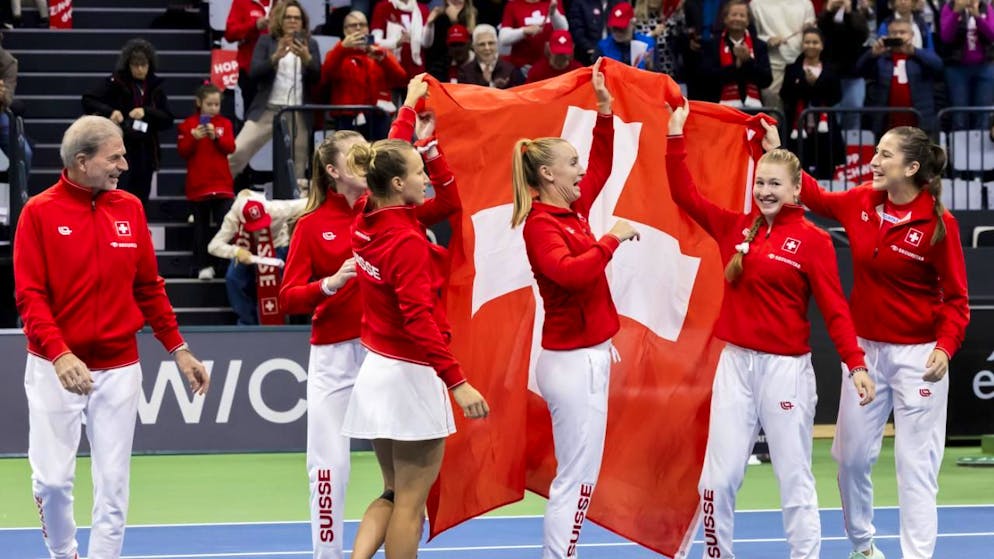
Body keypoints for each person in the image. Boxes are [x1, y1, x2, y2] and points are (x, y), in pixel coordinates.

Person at [665, 100, 875, 559]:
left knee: (793, 476)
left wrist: (855, 364)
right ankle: (718, 555)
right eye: (759, 182)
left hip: (786, 372)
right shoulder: (738, 228)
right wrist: (675, 136)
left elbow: (836, 311)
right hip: (735, 366)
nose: (764, 190)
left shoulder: (815, 242)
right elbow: (685, 195)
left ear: (797, 188)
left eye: (774, 183)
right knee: (716, 480)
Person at [279, 76, 462, 559]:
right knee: (331, 466)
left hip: (381, 351)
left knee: (395, 486)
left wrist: (407, 112)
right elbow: (289, 297)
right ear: (334, 172)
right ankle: (327, 554)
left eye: (369, 153)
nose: (366, 157)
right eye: (355, 155)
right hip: (341, 353)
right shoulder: (318, 224)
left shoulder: (374, 211)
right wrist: (330, 284)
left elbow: (396, 157)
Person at [13, 115, 209, 559]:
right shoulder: (39, 212)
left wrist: (178, 349)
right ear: (83, 161)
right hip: (53, 367)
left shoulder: (130, 208)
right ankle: (64, 553)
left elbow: (149, 287)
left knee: (113, 488)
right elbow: (30, 296)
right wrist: (60, 355)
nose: (124, 163)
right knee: (52, 482)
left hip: (119, 367)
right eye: (115, 156)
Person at [794, 125, 969, 559]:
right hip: (865, 355)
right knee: (850, 459)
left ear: (911, 168)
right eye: (876, 151)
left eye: (885, 154)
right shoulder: (862, 202)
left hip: (919, 358)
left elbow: (957, 299)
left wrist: (945, 347)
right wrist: (775, 145)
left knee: (917, 468)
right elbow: (813, 197)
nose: (873, 160)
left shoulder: (939, 225)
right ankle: (864, 545)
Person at [342, 73, 489, 559]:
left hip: (378, 370)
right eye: (419, 172)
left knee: (391, 491)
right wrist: (458, 382)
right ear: (399, 183)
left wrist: (415, 124)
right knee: (411, 503)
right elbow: (419, 319)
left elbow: (439, 195)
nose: (427, 178)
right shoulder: (405, 240)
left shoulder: (368, 213)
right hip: (409, 374)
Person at [509, 59, 640, 559]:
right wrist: (612, 240)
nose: (581, 167)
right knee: (575, 476)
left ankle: (564, 552)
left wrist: (604, 115)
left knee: (583, 473)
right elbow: (569, 274)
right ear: (547, 173)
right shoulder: (541, 225)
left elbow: (603, 167)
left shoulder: (569, 211)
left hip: (590, 356)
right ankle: (558, 555)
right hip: (571, 361)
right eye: (571, 162)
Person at [228, 0, 320, 182]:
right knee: (236, 152)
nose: (292, 21)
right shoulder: (266, 41)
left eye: (297, 18)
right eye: (288, 17)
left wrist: (307, 58)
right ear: (280, 20)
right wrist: (275, 57)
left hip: (297, 112)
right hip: (267, 109)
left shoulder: (311, 43)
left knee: (298, 169)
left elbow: (317, 76)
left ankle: (296, 208)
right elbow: (254, 72)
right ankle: (215, 196)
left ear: (303, 22)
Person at [82, 38, 174, 207]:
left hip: (146, 151)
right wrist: (111, 112)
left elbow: (168, 119)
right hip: (120, 147)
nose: (140, 69)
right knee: (118, 194)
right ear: (128, 65)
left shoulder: (156, 87)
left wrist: (146, 111)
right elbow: (88, 100)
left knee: (140, 200)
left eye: (143, 65)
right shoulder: (117, 82)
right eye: (135, 65)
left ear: (150, 65)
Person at [208, 189, 306, 325]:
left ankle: (282, 321)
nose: (258, 229)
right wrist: (236, 252)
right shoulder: (233, 217)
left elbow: (306, 203)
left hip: (276, 248)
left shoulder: (276, 209)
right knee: (233, 278)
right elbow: (213, 246)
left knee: (288, 277)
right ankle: (246, 322)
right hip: (246, 250)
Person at [317, 10, 407, 141]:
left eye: (363, 24)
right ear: (345, 30)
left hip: (378, 116)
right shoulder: (337, 53)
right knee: (349, 159)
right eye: (353, 25)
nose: (359, 28)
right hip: (347, 118)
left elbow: (401, 78)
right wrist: (342, 48)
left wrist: (383, 58)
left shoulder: (379, 52)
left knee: (380, 158)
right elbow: (325, 76)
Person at [178, 82, 237, 281]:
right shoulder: (188, 124)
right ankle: (203, 265)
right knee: (200, 228)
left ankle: (224, 266)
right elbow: (183, 152)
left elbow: (230, 147)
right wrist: (193, 138)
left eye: (216, 105)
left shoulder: (225, 124)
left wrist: (216, 138)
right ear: (199, 103)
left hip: (222, 185)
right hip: (199, 186)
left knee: (225, 226)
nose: (213, 108)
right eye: (209, 104)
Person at [855, 17, 943, 134]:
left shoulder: (921, 56)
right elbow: (860, 69)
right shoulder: (881, 58)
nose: (898, 36)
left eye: (902, 32)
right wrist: (872, 54)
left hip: (918, 121)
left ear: (911, 35)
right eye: (894, 33)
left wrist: (915, 52)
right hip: (887, 123)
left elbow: (938, 66)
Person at [779, 26, 844, 178]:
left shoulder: (831, 69)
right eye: (807, 42)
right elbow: (785, 95)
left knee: (826, 167)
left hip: (825, 128)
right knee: (796, 169)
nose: (811, 45)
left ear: (821, 45)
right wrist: (805, 83)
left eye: (815, 42)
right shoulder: (792, 69)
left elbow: (836, 96)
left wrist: (816, 83)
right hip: (797, 127)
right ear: (802, 45)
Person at [703, 0, 773, 107]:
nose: (738, 18)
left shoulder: (759, 45)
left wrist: (748, 61)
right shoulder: (712, 45)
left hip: (753, 109)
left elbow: (766, 80)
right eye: (734, 15)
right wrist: (735, 67)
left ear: (748, 20)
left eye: (742, 15)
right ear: (725, 19)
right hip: (720, 107)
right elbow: (706, 78)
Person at [939, 0, 994, 129]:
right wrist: (955, 13)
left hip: (984, 67)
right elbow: (946, 37)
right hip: (957, 69)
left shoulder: (985, 8)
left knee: (983, 113)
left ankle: (979, 148)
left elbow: (992, 35)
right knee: (959, 113)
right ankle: (959, 148)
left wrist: (978, 17)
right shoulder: (949, 7)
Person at [224, 0, 273, 112]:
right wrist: (254, 26)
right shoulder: (241, 2)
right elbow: (230, 33)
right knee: (252, 117)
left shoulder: (282, 3)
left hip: (277, 71)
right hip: (250, 72)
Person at [500, 0, 570, 70]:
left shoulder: (553, 1)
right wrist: (524, 31)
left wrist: (554, 13)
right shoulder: (513, 4)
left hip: (551, 65)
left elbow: (563, 30)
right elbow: (503, 38)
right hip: (523, 67)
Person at [371, 0, 430, 78]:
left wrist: (430, 24)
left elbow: (426, 44)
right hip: (390, 71)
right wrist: (395, 43)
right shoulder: (383, 7)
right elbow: (373, 41)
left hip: (416, 72)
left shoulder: (423, 9)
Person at [423, 0, 478, 81]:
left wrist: (455, 21)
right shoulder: (438, 17)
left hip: (471, 68)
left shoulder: (475, 15)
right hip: (443, 71)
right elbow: (431, 50)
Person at [459, 24, 526, 87]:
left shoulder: (511, 70)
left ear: (497, 45)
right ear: (474, 47)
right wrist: (485, 83)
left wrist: (504, 88)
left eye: (491, 43)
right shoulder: (465, 72)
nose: (487, 48)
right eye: (482, 44)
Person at [596, 1, 657, 68]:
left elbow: (659, 75)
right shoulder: (603, 47)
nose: (617, 32)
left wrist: (650, 66)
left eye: (622, 27)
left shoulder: (648, 45)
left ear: (633, 23)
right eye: (614, 27)